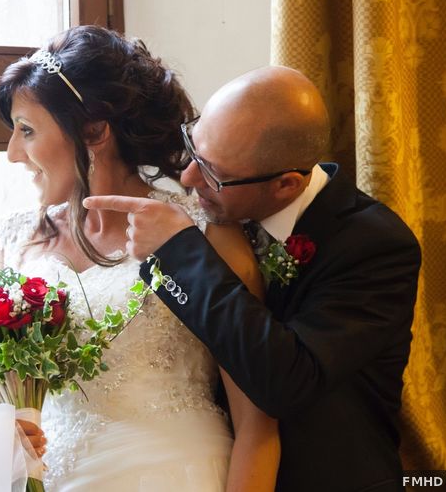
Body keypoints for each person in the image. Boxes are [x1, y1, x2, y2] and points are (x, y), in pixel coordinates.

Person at [84, 65, 422, 492]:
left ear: (285, 185)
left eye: (210, 173)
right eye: (193, 146)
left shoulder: (375, 246)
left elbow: (285, 381)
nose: (188, 178)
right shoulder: (224, 216)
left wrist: (179, 253)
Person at [0, 26, 280, 491]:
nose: (12, 154)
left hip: (172, 474)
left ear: (95, 131)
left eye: (26, 130)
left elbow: (258, 425)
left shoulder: (204, 232)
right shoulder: (16, 238)